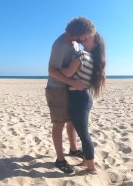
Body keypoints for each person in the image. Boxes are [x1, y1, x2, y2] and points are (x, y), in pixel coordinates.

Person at [45, 17, 96, 174]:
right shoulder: (60, 45)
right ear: (77, 34)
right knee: (58, 124)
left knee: (71, 122)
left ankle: (73, 149)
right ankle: (60, 159)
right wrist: (73, 83)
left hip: (67, 88)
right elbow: (52, 70)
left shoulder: (74, 42)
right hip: (56, 89)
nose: (86, 39)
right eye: (85, 37)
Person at [60, 32, 106, 174]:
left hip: (79, 99)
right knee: (82, 130)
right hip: (83, 98)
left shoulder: (82, 55)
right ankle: (86, 160)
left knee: (83, 134)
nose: (85, 37)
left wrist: (57, 68)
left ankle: (91, 166)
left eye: (90, 36)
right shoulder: (93, 59)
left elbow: (67, 74)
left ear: (96, 42)